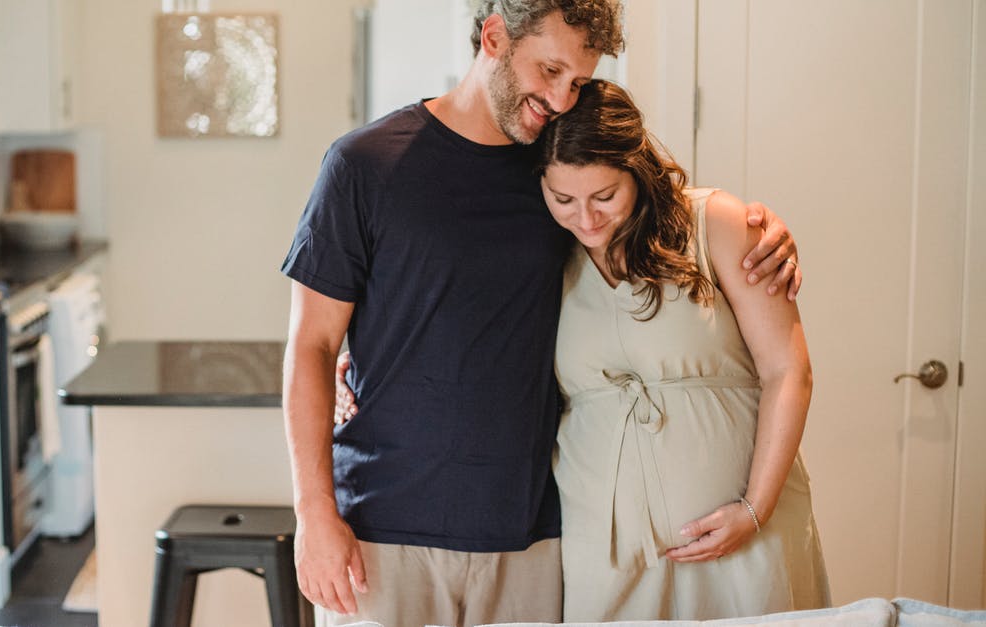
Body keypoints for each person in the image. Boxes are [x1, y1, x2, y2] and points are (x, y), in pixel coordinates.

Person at [281, 2, 801, 625]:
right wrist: (313, 514)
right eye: (549, 70)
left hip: (532, 534)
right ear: (495, 37)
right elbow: (312, 345)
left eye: (577, 81)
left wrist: (761, 228)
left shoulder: (558, 172)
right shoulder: (364, 165)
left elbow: (660, 204)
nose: (560, 98)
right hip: (383, 529)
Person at [541, 80, 829, 620]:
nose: (586, 219)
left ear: (638, 170)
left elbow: (789, 371)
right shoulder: (545, 255)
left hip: (748, 533)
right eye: (563, 199)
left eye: (605, 196)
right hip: (609, 550)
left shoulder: (713, 222)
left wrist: (755, 509)